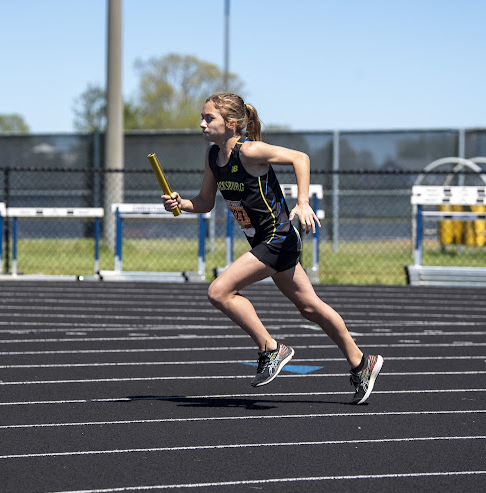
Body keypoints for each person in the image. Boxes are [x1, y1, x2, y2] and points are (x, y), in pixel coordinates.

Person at [162, 92, 382, 404]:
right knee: (309, 307)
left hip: (277, 238)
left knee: (219, 291)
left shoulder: (249, 151)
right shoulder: (214, 157)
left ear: (232, 123)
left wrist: (302, 202)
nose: (202, 123)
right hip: (264, 242)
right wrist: (180, 203)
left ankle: (271, 348)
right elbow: (205, 202)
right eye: (203, 116)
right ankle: (362, 362)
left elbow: (300, 158)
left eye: (209, 118)